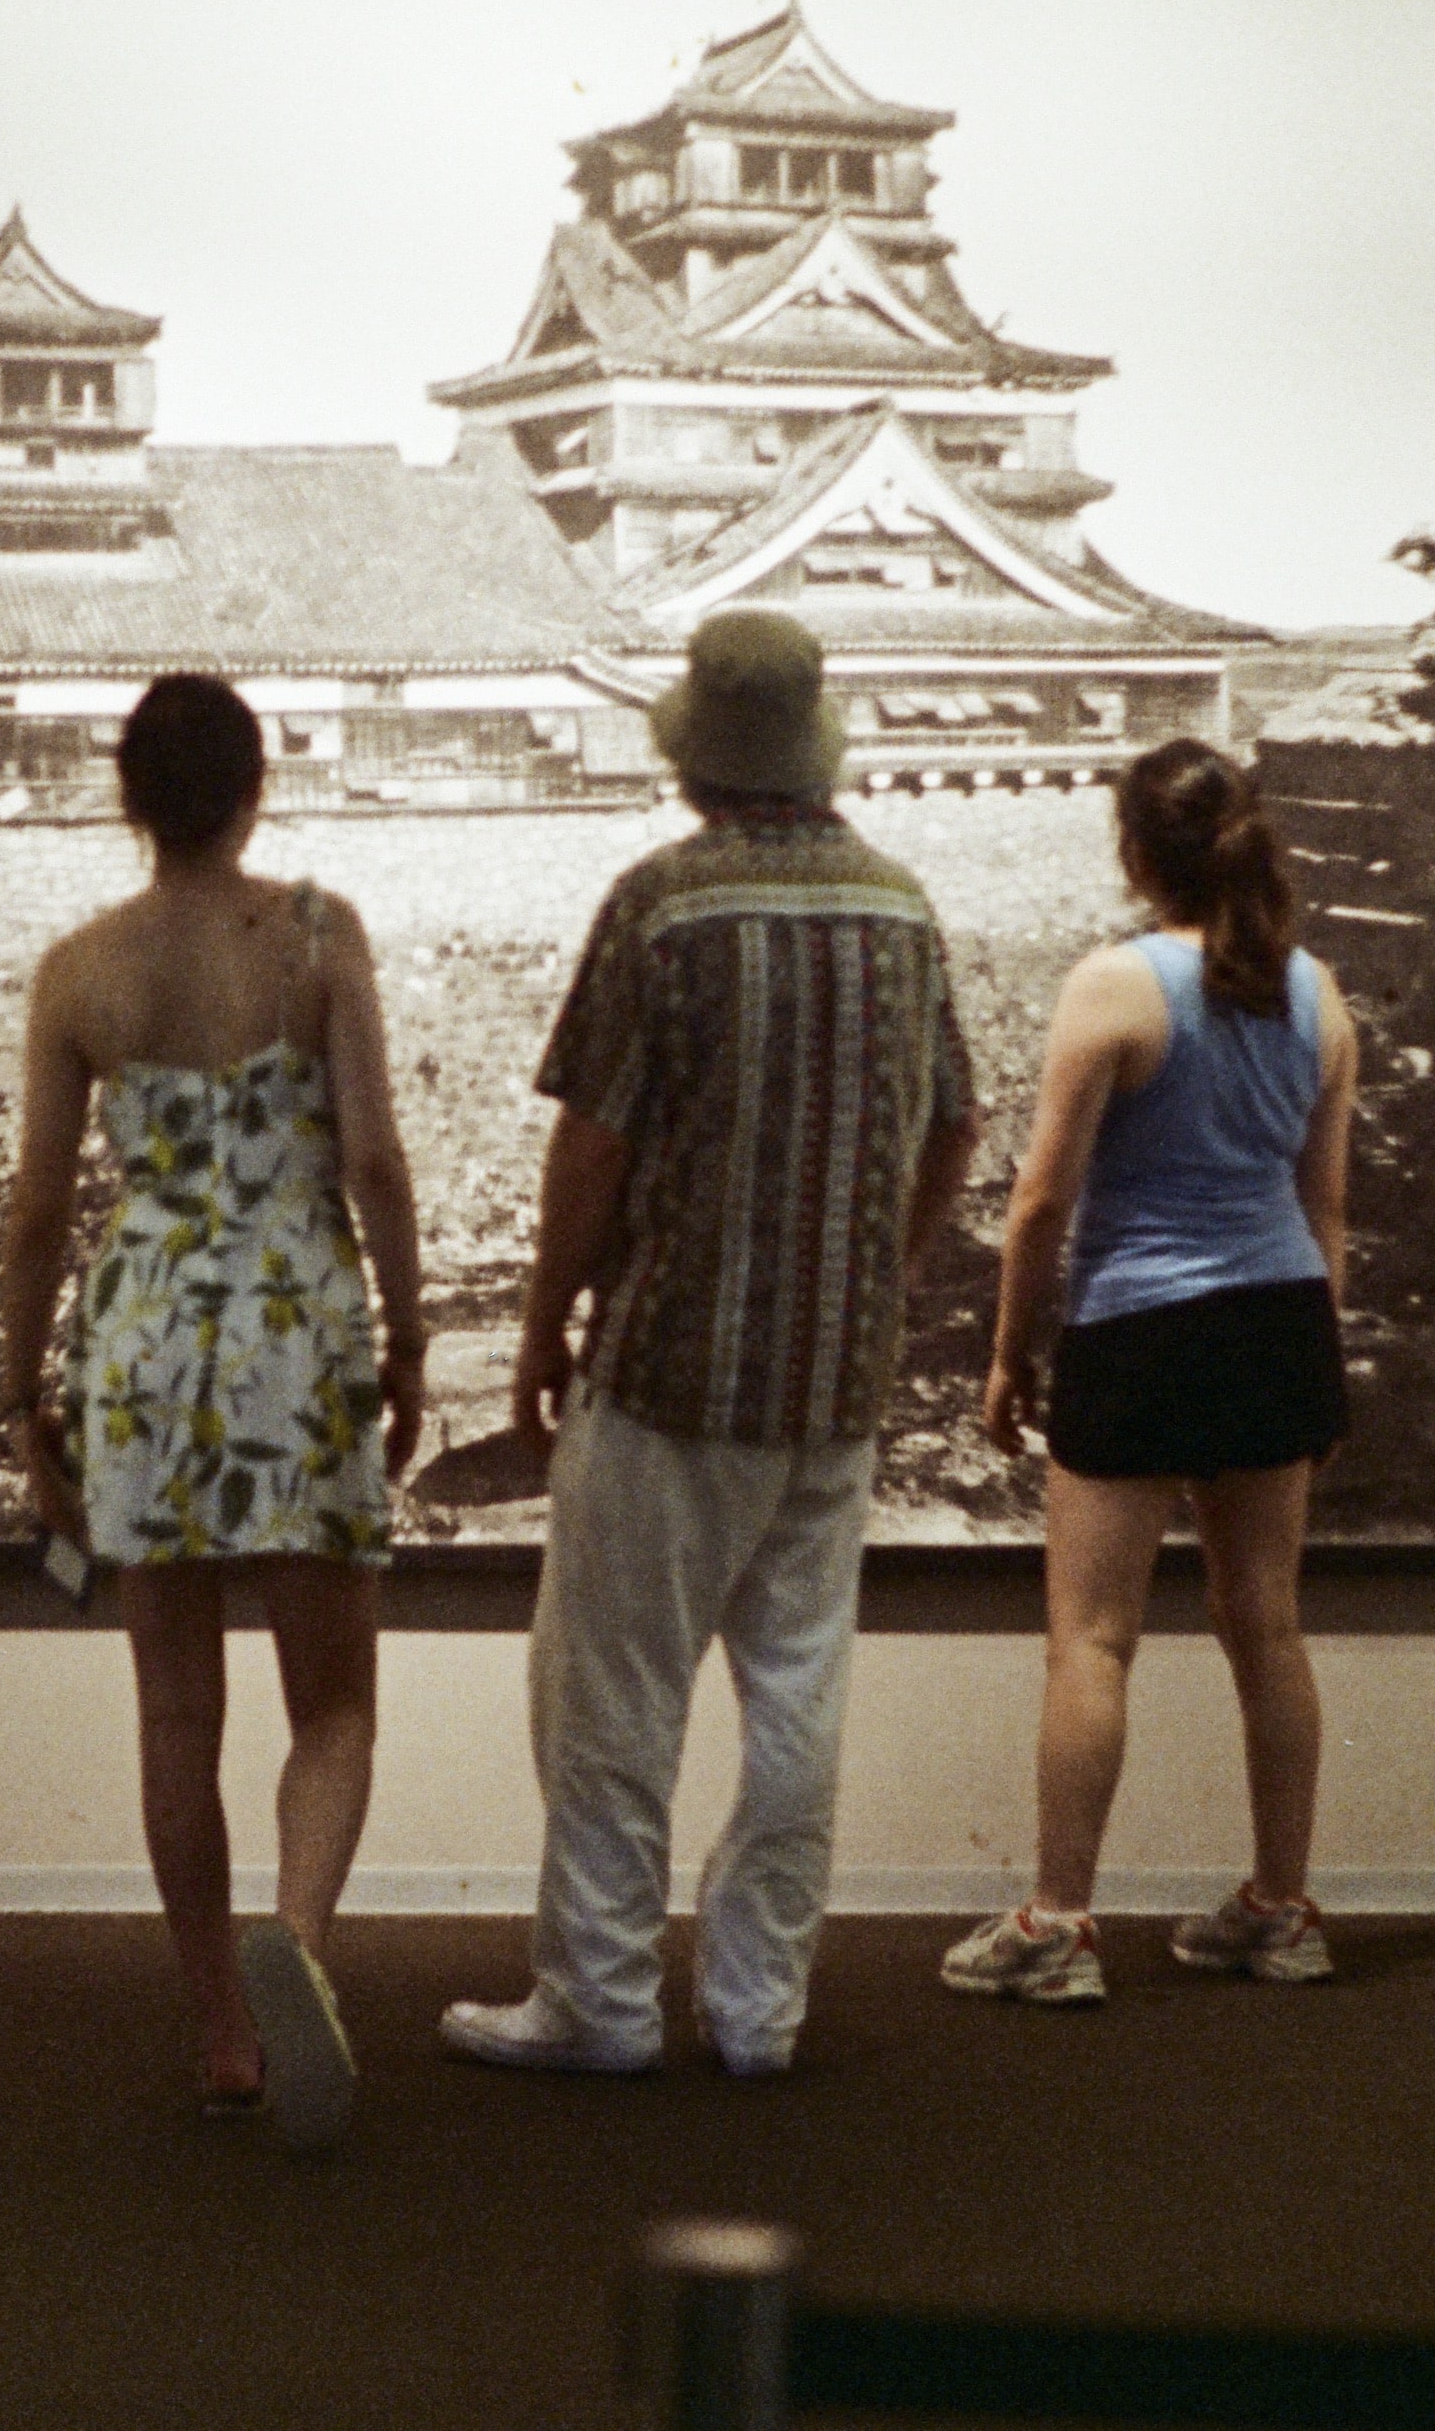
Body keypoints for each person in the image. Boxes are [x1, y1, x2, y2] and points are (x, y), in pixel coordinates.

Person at [440, 609, 981, 2080]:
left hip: (672, 1373)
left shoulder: (663, 906)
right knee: (798, 1694)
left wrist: (542, 1322)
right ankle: (757, 2011)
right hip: (835, 1385)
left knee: (612, 1696)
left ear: (695, 752)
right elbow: (953, 1124)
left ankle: (601, 2000)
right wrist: (885, 1273)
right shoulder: (899, 903)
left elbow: (592, 1145)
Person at [0, 674, 424, 2146]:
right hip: (296, 1319)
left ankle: (226, 2035)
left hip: (145, 1331)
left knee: (176, 1708)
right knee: (335, 1703)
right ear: (255, 789)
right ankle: (294, 1946)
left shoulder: (77, 971)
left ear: (131, 800)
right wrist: (410, 1333)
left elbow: (38, 1210)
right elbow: (373, 1159)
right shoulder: (317, 933)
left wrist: (21, 1395)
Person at [941, 738, 1357, 2008]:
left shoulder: (1114, 987)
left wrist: (1010, 1355)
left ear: (1135, 849)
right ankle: (1282, 1911)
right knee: (1268, 1625)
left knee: (1091, 1640)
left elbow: (1039, 1205)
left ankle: (1060, 1926)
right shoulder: (1318, 995)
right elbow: (1325, 1208)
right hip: (1280, 1321)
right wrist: (1317, 1360)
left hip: (1142, 1331)